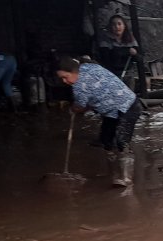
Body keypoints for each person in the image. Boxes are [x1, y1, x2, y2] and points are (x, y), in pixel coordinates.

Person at [56, 56, 142, 186]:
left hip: (127, 106)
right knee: (106, 139)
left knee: (122, 140)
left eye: (65, 77)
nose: (64, 81)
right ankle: (113, 173)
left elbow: (81, 106)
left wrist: (73, 109)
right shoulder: (89, 67)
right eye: (61, 78)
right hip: (112, 110)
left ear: (74, 72)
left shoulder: (79, 86)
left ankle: (126, 179)